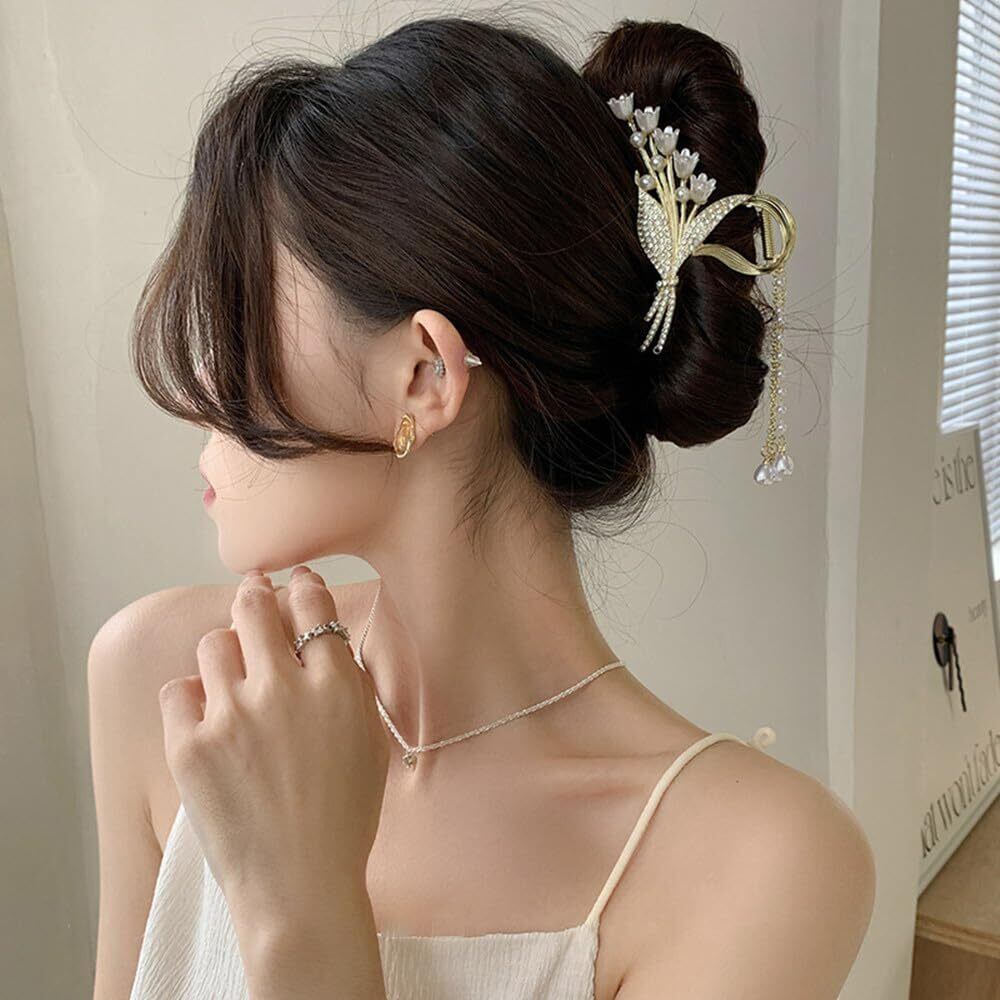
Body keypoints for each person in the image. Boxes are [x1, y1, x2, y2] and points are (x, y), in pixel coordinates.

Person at [88, 13, 875, 999]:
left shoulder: (757, 867)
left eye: (244, 310)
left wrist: (301, 914)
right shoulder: (168, 680)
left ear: (425, 373)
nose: (203, 381)